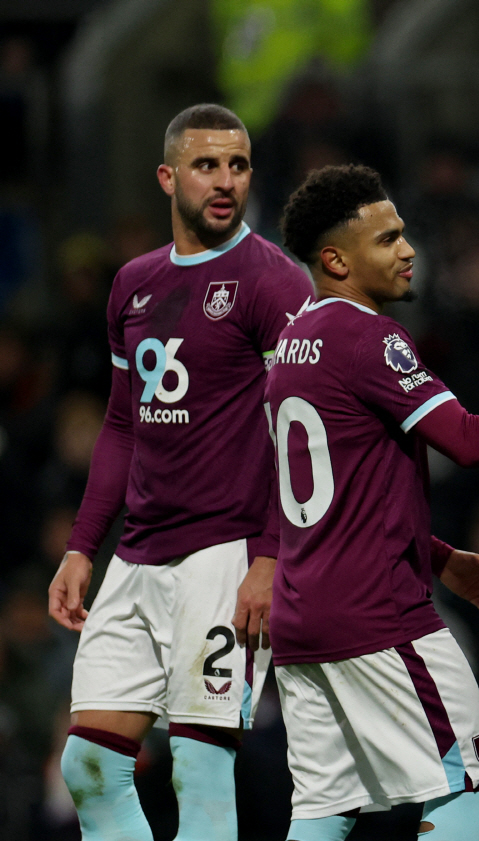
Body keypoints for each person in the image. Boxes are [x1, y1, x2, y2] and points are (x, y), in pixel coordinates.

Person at [47, 103, 314, 841]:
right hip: (136, 553)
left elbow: (295, 435)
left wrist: (267, 558)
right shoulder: (132, 283)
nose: (224, 180)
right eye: (206, 165)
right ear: (168, 176)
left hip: (222, 556)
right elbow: (122, 425)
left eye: (237, 165)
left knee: (199, 770)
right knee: (89, 767)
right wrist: (82, 544)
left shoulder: (274, 282)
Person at [269, 163, 479, 841]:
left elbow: (331, 492)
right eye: (388, 239)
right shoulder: (369, 338)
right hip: (376, 613)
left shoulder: (290, 344)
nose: (408, 251)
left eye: (405, 234)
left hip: (301, 619)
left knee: (324, 806)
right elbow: (464, 439)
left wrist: (435, 555)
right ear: (336, 259)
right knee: (469, 777)